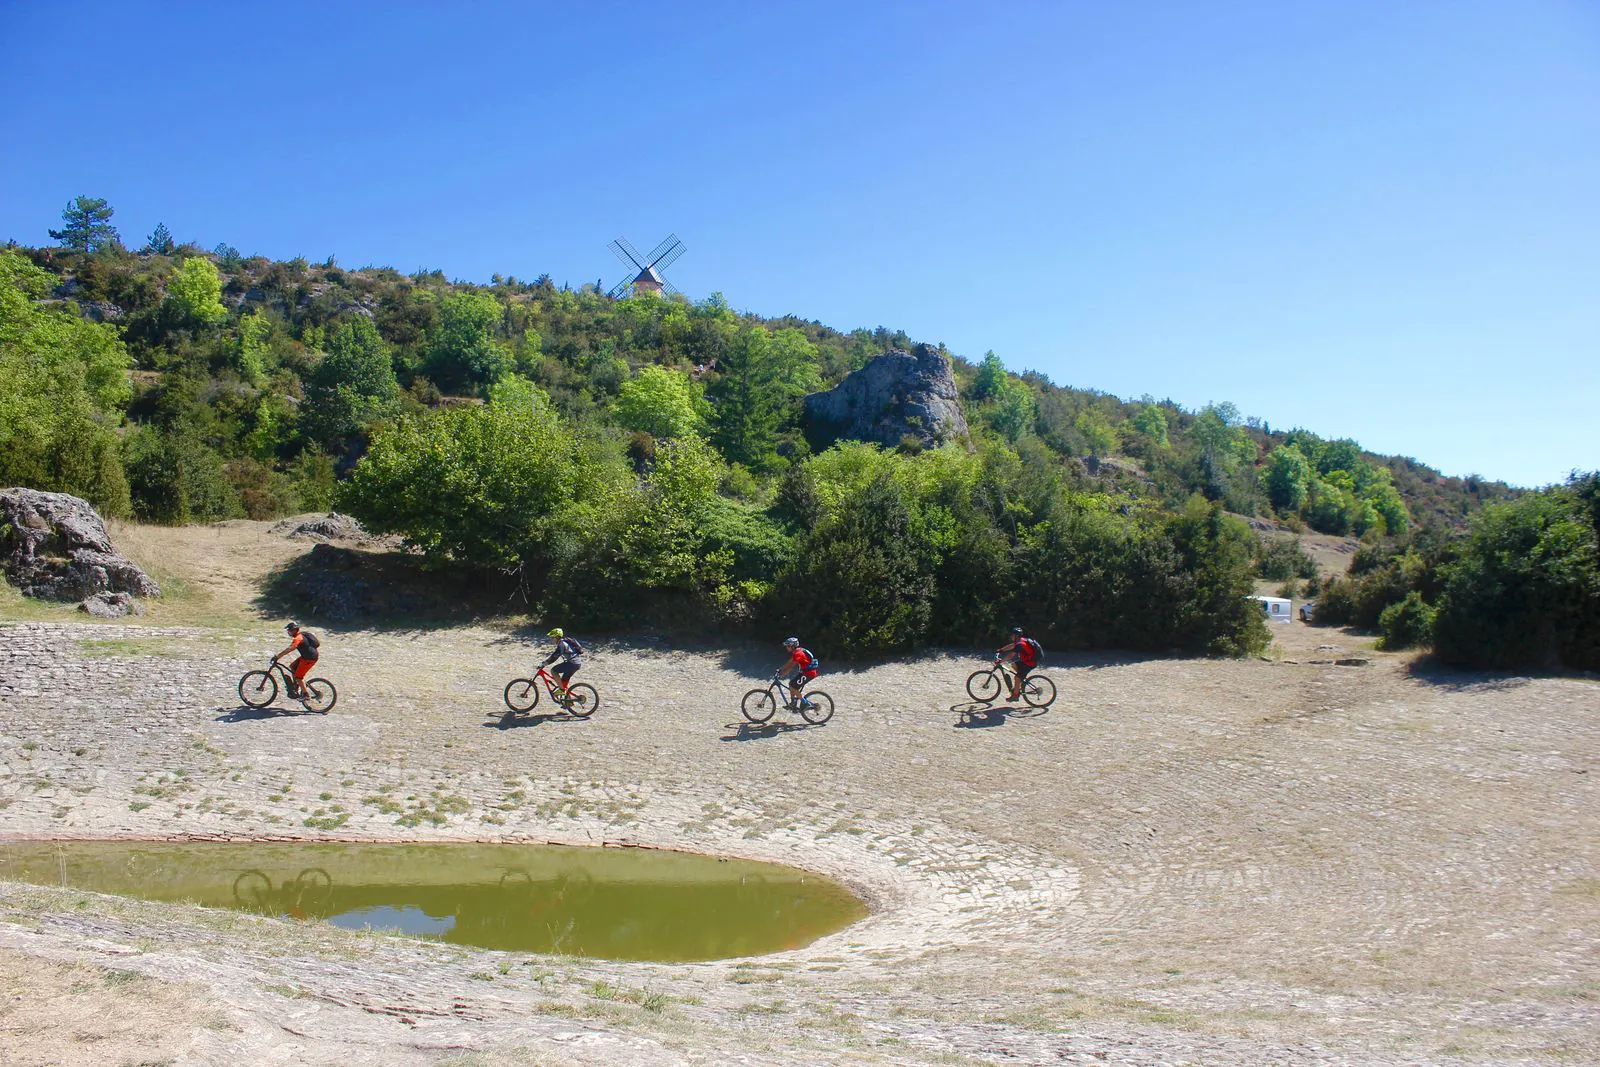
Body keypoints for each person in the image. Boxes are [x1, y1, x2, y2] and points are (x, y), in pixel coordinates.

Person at [273, 621, 319, 698]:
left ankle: (305, 695)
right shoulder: (299, 636)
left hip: (309, 659)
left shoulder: (298, 638)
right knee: (292, 666)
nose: (288, 632)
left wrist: (277, 657)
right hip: (306, 657)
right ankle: (296, 687)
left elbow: (290, 649)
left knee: (298, 677)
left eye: (289, 630)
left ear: (294, 630)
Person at [995, 626, 1040, 701]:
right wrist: (1001, 650)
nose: (1011, 636)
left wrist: (1001, 661)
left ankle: (1015, 696)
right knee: (1013, 664)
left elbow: (1011, 655)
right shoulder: (1020, 640)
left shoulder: (1020, 644)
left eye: (1012, 635)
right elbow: (1011, 646)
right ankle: (1021, 678)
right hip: (1027, 661)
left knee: (1017, 678)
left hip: (1030, 663)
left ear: (1016, 636)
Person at [776, 636, 819, 709]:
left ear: (792, 646)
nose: (786, 647)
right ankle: (793, 703)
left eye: (788, 646)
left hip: (809, 673)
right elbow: (790, 661)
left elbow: (791, 667)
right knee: (791, 684)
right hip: (805, 672)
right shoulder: (797, 651)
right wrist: (780, 669)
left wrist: (782, 675)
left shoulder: (798, 654)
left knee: (793, 687)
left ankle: (805, 703)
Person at [541, 627, 584, 696]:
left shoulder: (562, 644)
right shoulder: (564, 642)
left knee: (553, 671)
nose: (552, 639)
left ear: (557, 637)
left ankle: (561, 690)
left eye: (553, 637)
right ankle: (569, 702)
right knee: (563, 683)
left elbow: (555, 656)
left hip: (572, 663)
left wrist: (545, 663)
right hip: (576, 663)